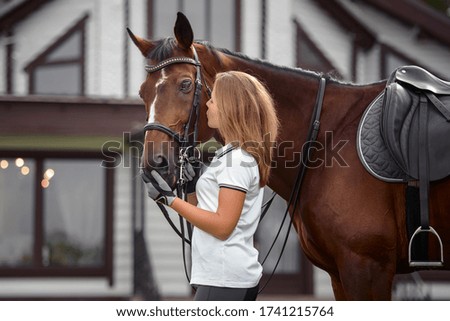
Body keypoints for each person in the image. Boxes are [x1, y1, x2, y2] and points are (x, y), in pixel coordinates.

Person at [142, 71, 279, 301]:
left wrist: (169, 199)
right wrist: (193, 188)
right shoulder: (229, 155)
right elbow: (206, 219)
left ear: (229, 108)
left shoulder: (236, 160)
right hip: (221, 277)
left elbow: (223, 226)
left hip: (224, 279)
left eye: (213, 99)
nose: (207, 104)